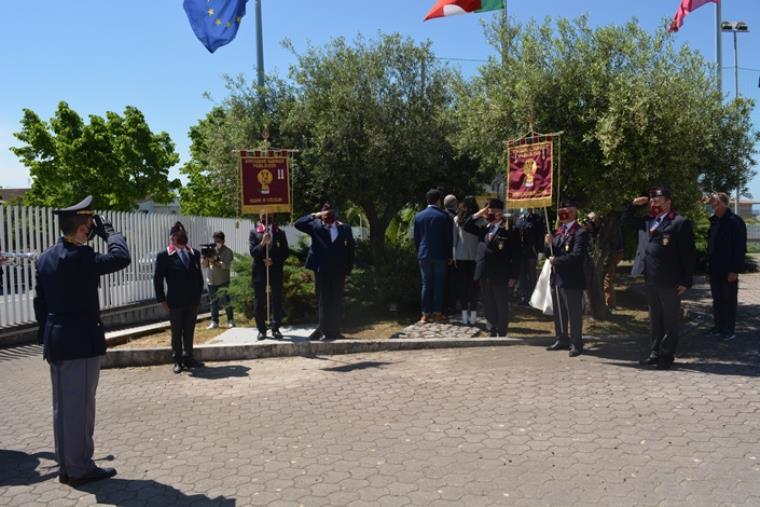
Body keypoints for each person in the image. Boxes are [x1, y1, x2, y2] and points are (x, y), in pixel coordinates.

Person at [33, 196, 130, 486]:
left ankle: (67, 464)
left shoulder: (46, 257)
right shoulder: (81, 257)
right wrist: (112, 234)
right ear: (83, 229)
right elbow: (121, 257)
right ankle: (79, 468)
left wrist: (47, 335)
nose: (91, 228)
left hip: (57, 339)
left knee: (63, 407)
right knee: (80, 407)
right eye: (89, 224)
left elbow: (40, 303)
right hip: (80, 342)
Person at [623, 186, 696, 369]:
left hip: (670, 281)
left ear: (668, 202)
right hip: (652, 279)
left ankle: (666, 356)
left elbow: (688, 254)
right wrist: (633, 205)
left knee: (670, 320)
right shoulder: (650, 220)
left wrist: (686, 280)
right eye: (652, 200)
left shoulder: (679, 222)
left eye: (658, 200)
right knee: (655, 320)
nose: (654, 203)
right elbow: (627, 221)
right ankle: (655, 353)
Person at [295, 203, 355, 341]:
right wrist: (314, 215)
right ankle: (323, 331)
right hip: (321, 269)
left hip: (338, 270)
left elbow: (350, 249)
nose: (328, 215)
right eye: (325, 213)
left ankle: (335, 331)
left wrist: (348, 269)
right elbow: (298, 224)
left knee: (336, 300)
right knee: (323, 300)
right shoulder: (315, 225)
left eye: (330, 212)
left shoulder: (344, 228)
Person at [154, 222, 205, 374]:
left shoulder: (194, 253)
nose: (182, 237)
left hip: (192, 301)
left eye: (184, 235)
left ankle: (189, 357)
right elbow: (158, 280)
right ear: (172, 238)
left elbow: (199, 278)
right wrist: (161, 300)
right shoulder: (164, 256)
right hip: (174, 302)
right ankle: (177, 360)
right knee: (176, 332)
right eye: (178, 235)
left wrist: (198, 296)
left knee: (189, 330)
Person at [463, 199, 518, 336]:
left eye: (492, 210)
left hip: (501, 273)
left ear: (499, 212)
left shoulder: (508, 230)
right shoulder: (484, 229)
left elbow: (515, 255)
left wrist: (513, 276)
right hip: (484, 272)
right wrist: (480, 212)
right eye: (488, 210)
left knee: (501, 304)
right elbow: (466, 226)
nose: (489, 213)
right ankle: (492, 328)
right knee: (488, 304)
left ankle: (502, 330)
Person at [544, 198, 589, 357]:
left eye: (568, 209)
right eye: (561, 210)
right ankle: (561, 338)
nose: (564, 212)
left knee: (573, 313)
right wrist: (548, 243)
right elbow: (551, 252)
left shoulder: (580, 232)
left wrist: (557, 260)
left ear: (574, 211)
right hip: (557, 278)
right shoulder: (559, 231)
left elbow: (577, 256)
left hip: (572, 279)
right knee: (559, 312)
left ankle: (576, 343)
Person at [706, 192, 747, 342]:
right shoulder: (715, 221)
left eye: (715, 203)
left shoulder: (735, 221)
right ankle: (718, 327)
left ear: (723, 204)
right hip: (715, 267)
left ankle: (729, 330)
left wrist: (735, 270)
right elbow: (710, 246)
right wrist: (708, 268)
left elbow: (739, 248)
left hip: (728, 268)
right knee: (717, 299)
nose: (712, 205)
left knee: (729, 299)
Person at [413, 189, 454, 323]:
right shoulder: (444, 216)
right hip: (440, 254)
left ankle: (425, 314)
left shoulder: (419, 216)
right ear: (438, 201)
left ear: (427, 200)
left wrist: (419, 252)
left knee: (426, 284)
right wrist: (450, 255)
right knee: (439, 284)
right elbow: (448, 238)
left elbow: (417, 238)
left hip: (424, 254)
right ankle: (437, 313)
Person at [249, 214, 290, 340]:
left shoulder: (280, 232)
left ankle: (275, 327)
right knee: (259, 301)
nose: (266, 217)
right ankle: (261, 329)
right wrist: (262, 243)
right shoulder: (254, 232)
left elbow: (285, 252)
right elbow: (253, 252)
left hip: (276, 271)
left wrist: (273, 261)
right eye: (263, 215)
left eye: (268, 215)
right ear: (259, 216)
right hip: (260, 272)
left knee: (277, 300)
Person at [453, 196, 482, 325]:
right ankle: (473, 315)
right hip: (476, 256)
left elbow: (455, 240)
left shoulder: (457, 219)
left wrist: (453, 256)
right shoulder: (480, 220)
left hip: (460, 255)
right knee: (474, 286)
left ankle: (464, 315)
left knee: (462, 286)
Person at [203, 231, 235, 329]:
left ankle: (231, 320)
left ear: (223, 240)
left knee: (226, 300)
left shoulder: (228, 251)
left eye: (218, 240)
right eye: (215, 240)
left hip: (223, 280)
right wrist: (206, 257)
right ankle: (214, 321)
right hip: (211, 280)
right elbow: (204, 266)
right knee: (213, 302)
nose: (216, 242)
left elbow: (226, 266)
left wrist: (215, 260)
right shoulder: (210, 250)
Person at [513, 209, 544, 305]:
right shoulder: (519, 219)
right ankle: (523, 297)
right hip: (520, 252)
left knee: (532, 276)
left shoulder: (536, 219)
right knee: (521, 275)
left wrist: (540, 251)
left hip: (531, 251)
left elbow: (540, 235)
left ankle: (533, 298)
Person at [443, 194, 459, 315]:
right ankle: (451, 306)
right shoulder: (455, 217)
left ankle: (443, 306)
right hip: (453, 254)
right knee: (453, 282)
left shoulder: (441, 215)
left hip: (441, 254)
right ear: (455, 204)